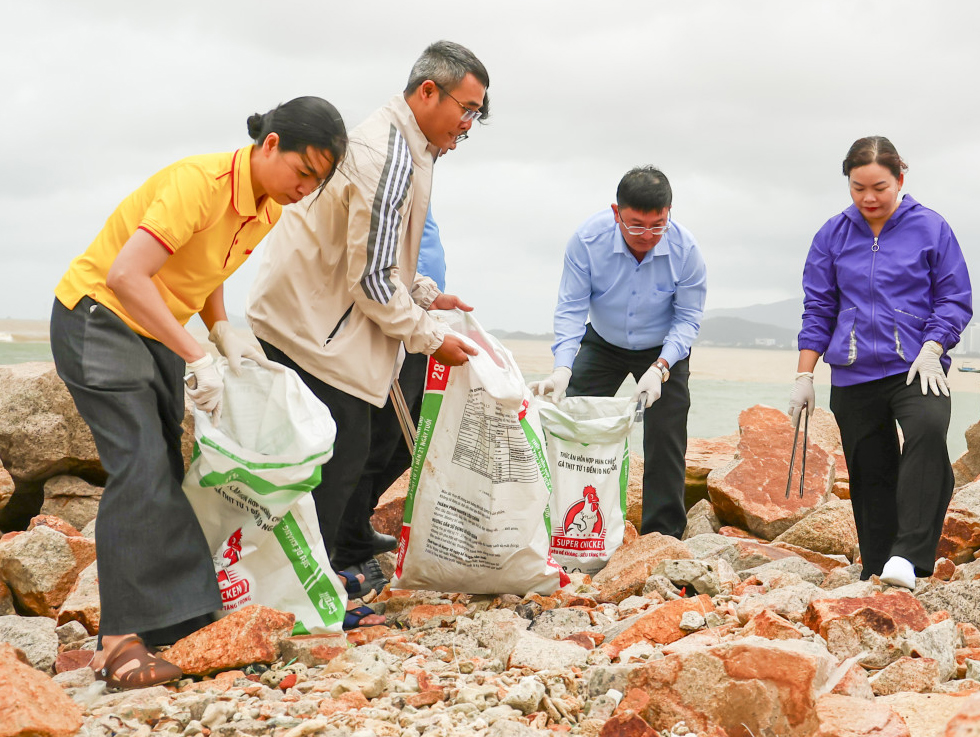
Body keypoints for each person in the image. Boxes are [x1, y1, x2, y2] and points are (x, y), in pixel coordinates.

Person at [51, 97, 347, 688]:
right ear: (270, 145)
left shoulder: (267, 209)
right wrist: (195, 354)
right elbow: (125, 275)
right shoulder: (199, 183)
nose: (306, 188)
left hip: (152, 327)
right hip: (98, 317)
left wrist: (220, 329)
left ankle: (177, 616)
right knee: (137, 464)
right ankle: (117, 644)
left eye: (319, 181)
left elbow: (207, 271)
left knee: (168, 465)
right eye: (304, 171)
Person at [247, 42, 487, 622]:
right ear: (427, 91)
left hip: (312, 311)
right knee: (341, 453)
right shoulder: (389, 155)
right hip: (308, 323)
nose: (469, 122)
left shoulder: (410, 145)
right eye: (467, 107)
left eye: (477, 114)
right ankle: (305, 596)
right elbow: (372, 279)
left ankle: (321, 567)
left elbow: (381, 255)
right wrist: (430, 335)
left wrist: (426, 295)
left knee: (356, 446)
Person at [789, 136, 972, 590]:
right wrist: (804, 374)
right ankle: (877, 567)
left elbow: (953, 298)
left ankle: (908, 557)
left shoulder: (931, 228)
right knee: (871, 472)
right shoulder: (833, 234)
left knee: (928, 433)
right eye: (857, 188)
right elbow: (818, 309)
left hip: (916, 367)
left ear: (900, 180)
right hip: (853, 372)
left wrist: (934, 347)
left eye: (879, 187)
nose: (869, 198)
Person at [530, 166, 707, 539]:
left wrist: (660, 368)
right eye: (636, 225)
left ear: (669, 212)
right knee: (571, 424)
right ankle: (554, 523)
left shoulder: (685, 249)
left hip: (663, 349)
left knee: (666, 437)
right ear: (616, 213)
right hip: (603, 342)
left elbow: (688, 318)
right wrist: (562, 368)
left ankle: (662, 537)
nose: (647, 236)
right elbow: (571, 309)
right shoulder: (587, 240)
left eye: (657, 225)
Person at [332, 203, 449, 595]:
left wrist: (427, 295)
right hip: (386, 318)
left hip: (419, 314)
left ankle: (357, 523)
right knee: (374, 440)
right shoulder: (386, 160)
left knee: (407, 439)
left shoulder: (420, 170)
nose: (454, 144)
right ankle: (348, 546)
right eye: (455, 135)